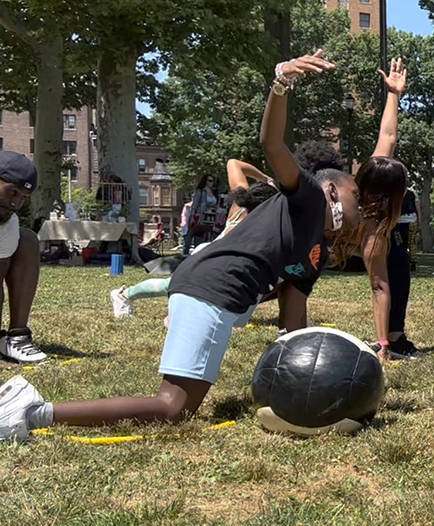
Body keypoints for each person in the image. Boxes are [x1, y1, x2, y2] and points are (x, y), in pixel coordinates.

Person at [0, 49, 364, 442]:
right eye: (356, 195)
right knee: (173, 408)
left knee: (175, 406)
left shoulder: (314, 249)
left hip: (213, 292)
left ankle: (34, 411)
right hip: (213, 289)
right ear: (331, 190)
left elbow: (292, 329)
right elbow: (272, 143)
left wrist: (309, 383)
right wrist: (281, 82)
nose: (361, 207)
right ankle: (31, 412)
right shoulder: (308, 196)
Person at [109, 173, 276, 319]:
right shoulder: (242, 211)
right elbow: (234, 163)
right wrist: (267, 178)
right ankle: (123, 294)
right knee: (173, 284)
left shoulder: (253, 215)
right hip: (210, 257)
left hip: (217, 257)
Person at [351, 58, 423, 360]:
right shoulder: (372, 224)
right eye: (403, 184)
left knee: (400, 263)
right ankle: (390, 340)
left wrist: (393, 93)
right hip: (328, 247)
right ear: (390, 194)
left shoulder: (374, 174)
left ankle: (395, 335)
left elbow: (388, 136)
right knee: (390, 271)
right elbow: (378, 287)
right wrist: (382, 347)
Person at [0, 152, 47, 363]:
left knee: (27, 240)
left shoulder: (7, 224)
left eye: (23, 198)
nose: (16, 204)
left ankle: (16, 338)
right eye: (12, 192)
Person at [185, 173, 222, 254]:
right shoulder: (200, 192)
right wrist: (192, 217)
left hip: (211, 218)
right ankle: (187, 252)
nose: (211, 183)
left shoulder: (214, 193)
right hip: (200, 217)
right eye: (210, 181)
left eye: (213, 181)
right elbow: (195, 205)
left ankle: (202, 252)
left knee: (207, 235)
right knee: (196, 233)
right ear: (205, 181)